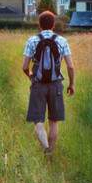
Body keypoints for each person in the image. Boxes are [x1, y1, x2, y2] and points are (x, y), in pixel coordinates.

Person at [22, 9, 74, 153]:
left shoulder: (32, 40)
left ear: (39, 25)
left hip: (38, 85)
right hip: (55, 85)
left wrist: (32, 77)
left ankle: (45, 147)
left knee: (38, 121)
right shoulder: (62, 41)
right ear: (53, 25)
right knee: (53, 121)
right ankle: (50, 151)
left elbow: (25, 67)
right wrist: (71, 84)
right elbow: (70, 66)